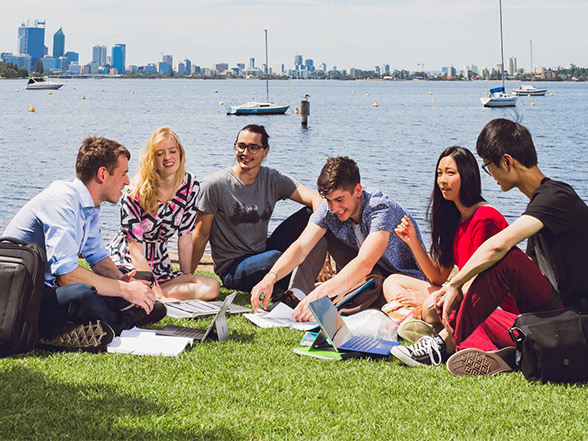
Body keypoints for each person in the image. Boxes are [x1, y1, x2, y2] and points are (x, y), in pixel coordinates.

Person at [392, 118, 588, 375]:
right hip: (555, 315)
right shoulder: (539, 206)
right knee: (469, 306)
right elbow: (530, 270)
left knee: (504, 257)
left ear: (508, 161)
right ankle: (502, 353)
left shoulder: (556, 196)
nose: (490, 175)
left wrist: (455, 284)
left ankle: (443, 344)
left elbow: (500, 246)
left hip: (576, 320)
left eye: (489, 166)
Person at [2, 136, 164, 346]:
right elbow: (66, 276)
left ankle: (98, 324)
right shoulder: (62, 202)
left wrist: (126, 281)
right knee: (83, 295)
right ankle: (99, 324)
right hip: (24, 298)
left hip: (49, 292)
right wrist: (124, 291)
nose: (127, 181)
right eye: (123, 174)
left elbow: (97, 258)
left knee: (140, 289)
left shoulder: (90, 205)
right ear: (102, 174)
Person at [250, 156, 425, 320]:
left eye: (340, 199)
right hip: (368, 274)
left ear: (357, 190)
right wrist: (270, 277)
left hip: (398, 280)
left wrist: (320, 294)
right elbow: (302, 246)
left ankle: (329, 303)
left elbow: (365, 262)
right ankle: (297, 294)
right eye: (328, 200)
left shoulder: (380, 209)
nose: (334, 207)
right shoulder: (330, 209)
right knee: (321, 230)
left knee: (372, 284)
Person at [386, 146, 517, 350]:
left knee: (430, 307)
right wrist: (412, 241)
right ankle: (425, 326)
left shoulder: (485, 218)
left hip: (492, 303)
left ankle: (423, 325)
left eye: (450, 173)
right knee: (393, 282)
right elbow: (438, 277)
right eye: (439, 173)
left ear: (468, 176)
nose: (442, 180)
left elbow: (478, 283)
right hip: (463, 291)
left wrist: (429, 299)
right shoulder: (454, 219)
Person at [191, 124, 322, 296]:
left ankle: (302, 274)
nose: (245, 153)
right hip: (233, 268)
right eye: (241, 146)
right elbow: (200, 236)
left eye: (253, 148)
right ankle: (298, 278)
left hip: (262, 253)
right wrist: (186, 276)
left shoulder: (273, 179)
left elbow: (316, 198)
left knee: (311, 213)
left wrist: (318, 242)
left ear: (265, 151)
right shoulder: (214, 185)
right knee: (275, 258)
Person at [108, 127, 219, 302]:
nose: (168, 158)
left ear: (180, 153)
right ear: (152, 159)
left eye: (172, 151)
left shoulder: (190, 185)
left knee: (212, 287)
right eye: (160, 154)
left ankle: (147, 294)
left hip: (160, 264)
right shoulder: (134, 192)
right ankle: (146, 292)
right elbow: (135, 249)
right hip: (130, 261)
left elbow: (185, 237)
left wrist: (187, 276)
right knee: (145, 285)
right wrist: (158, 292)